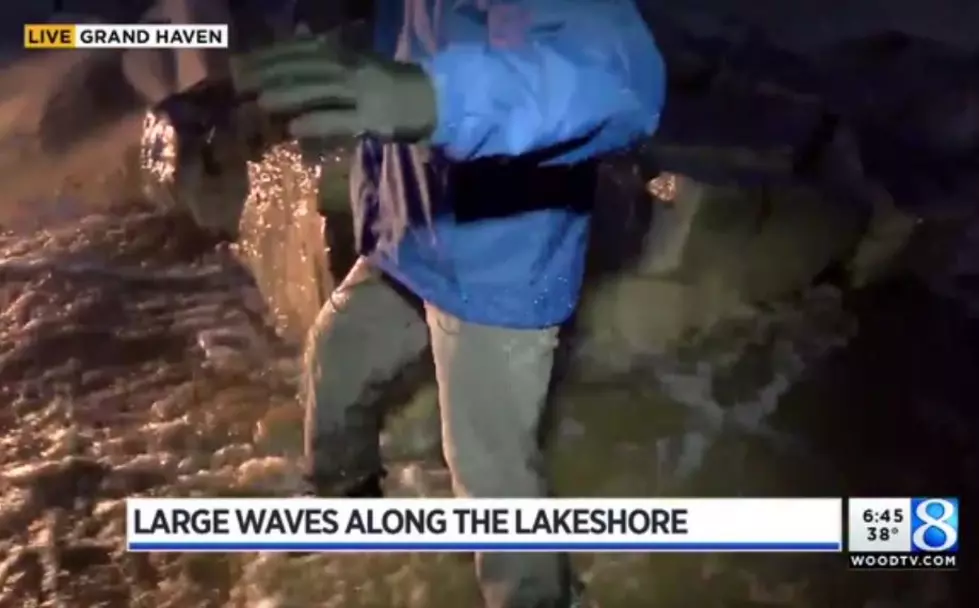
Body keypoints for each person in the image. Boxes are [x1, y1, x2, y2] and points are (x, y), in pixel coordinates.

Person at [236, 1, 665, 606]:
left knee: (489, 478)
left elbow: (623, 83)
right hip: (410, 237)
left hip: (500, 267)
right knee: (336, 357)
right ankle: (343, 504)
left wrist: (432, 98)